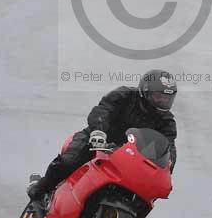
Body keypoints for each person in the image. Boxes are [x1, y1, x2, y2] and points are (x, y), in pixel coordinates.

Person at [27, 69, 178, 203]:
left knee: (141, 195)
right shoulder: (124, 95)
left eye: (166, 98)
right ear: (145, 91)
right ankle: (39, 188)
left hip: (129, 158)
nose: (163, 101)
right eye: (159, 96)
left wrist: (167, 167)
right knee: (68, 162)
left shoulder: (166, 121)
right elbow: (102, 111)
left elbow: (168, 146)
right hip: (97, 140)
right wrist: (98, 132)